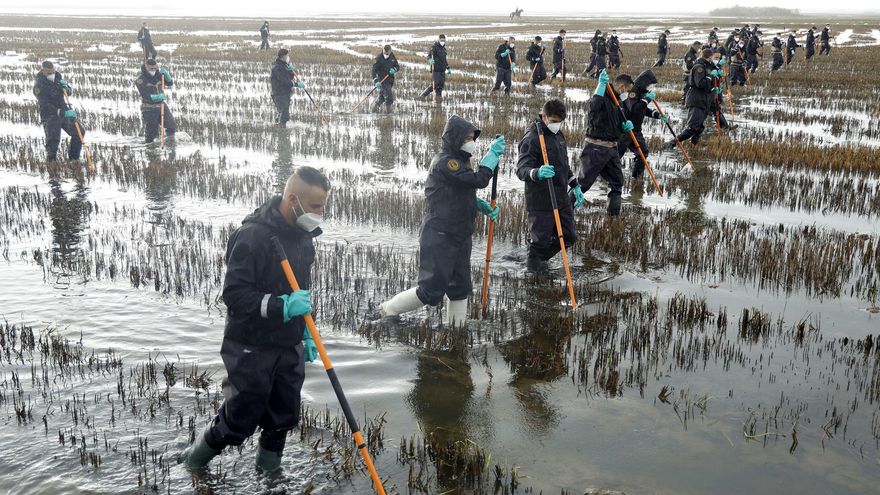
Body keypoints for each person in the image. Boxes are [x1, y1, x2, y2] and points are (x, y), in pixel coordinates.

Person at [182, 166, 329, 473]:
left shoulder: (304, 238)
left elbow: (300, 291)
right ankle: (193, 464)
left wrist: (304, 331)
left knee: (283, 415)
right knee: (240, 416)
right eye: (316, 206)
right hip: (250, 344)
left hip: (287, 343)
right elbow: (234, 295)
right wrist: (282, 306)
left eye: (323, 206)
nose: (320, 213)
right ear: (293, 200)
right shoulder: (252, 236)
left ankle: (270, 477)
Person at [372, 116, 505, 326]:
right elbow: (476, 180)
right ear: (454, 139)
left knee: (459, 287)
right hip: (440, 235)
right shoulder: (446, 162)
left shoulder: (461, 161)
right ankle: (387, 310)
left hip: (461, 234)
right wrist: (490, 159)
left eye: (472, 138)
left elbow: (456, 191)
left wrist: (476, 204)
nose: (471, 143)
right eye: (466, 139)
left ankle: (456, 332)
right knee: (431, 292)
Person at [515, 99, 580, 273]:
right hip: (540, 200)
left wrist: (575, 184)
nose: (556, 125)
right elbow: (521, 170)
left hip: (561, 196)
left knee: (569, 237)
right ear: (544, 116)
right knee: (540, 242)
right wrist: (537, 172)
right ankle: (534, 272)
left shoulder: (559, 135)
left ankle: (537, 262)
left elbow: (564, 164)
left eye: (560, 122)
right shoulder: (532, 139)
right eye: (553, 121)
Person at [575, 69, 633, 216]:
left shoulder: (617, 101)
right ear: (622, 87)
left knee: (617, 182)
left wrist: (624, 127)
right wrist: (600, 86)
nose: (628, 93)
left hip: (612, 148)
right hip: (595, 148)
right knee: (583, 184)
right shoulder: (602, 96)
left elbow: (616, 124)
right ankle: (565, 211)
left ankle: (613, 216)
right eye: (627, 90)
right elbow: (593, 108)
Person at [664, 49, 719, 150]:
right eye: (714, 57)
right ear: (710, 57)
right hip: (696, 99)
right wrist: (710, 77)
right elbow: (700, 83)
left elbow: (711, 79)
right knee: (693, 127)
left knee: (699, 127)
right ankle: (673, 142)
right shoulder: (699, 67)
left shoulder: (706, 66)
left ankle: (694, 145)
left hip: (704, 100)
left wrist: (716, 80)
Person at [617, 70, 667, 179]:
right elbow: (635, 109)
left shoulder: (642, 93)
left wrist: (657, 115)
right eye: (650, 85)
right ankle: (604, 176)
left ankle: (637, 178)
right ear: (644, 83)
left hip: (636, 131)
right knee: (616, 155)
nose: (650, 88)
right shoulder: (632, 92)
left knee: (642, 154)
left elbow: (643, 110)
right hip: (626, 130)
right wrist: (647, 99)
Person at [33, 61, 83, 162]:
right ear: (43, 71)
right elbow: (45, 105)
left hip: (64, 111)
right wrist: (62, 112)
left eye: (53, 72)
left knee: (79, 132)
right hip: (50, 116)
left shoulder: (58, 77)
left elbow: (67, 92)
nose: (52, 75)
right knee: (53, 141)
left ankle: (74, 159)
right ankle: (52, 164)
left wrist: (67, 88)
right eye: (49, 73)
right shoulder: (39, 85)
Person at [135, 58, 175, 144]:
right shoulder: (140, 79)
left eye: (155, 68)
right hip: (148, 107)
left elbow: (170, 83)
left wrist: (167, 75)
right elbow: (144, 95)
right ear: (146, 68)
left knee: (171, 125)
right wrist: (157, 97)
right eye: (151, 69)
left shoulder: (159, 75)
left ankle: (170, 143)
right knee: (152, 131)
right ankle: (149, 147)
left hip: (161, 105)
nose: (153, 70)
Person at [270, 48, 305, 126]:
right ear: (283, 57)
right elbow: (284, 81)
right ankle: (282, 132)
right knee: (284, 115)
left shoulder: (284, 65)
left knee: (282, 112)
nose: (288, 57)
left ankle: (277, 127)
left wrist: (290, 71)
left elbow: (289, 78)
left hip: (285, 93)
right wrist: (296, 84)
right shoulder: (277, 67)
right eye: (287, 55)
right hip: (279, 94)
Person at [420, 34, 452, 101]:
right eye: (441, 40)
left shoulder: (444, 49)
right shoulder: (434, 47)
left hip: (442, 70)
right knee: (435, 85)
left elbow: (444, 60)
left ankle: (438, 100)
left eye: (444, 40)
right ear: (439, 40)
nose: (442, 41)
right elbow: (429, 56)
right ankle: (422, 96)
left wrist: (448, 68)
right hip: (436, 70)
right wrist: (430, 60)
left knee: (440, 86)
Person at [371, 44, 400, 113]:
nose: (386, 54)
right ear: (383, 50)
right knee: (389, 97)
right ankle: (389, 113)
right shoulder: (378, 58)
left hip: (390, 80)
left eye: (388, 53)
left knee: (382, 97)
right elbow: (373, 71)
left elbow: (397, 66)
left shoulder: (392, 56)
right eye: (385, 52)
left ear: (390, 51)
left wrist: (394, 69)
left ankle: (373, 109)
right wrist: (376, 81)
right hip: (382, 80)